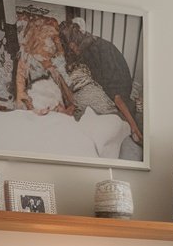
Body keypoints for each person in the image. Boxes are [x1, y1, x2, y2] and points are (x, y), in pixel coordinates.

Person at [59, 18, 143, 148]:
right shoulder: (90, 43)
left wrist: (133, 126)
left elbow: (115, 93)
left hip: (117, 91)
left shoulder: (95, 53)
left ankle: (131, 116)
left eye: (72, 45)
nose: (72, 49)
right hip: (112, 89)